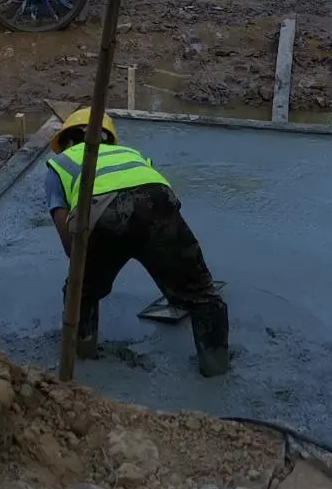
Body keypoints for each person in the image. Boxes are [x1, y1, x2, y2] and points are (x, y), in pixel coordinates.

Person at [43, 110, 231, 377]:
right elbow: (156, 198)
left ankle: (84, 357)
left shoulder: (59, 165)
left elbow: (68, 239)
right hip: (158, 203)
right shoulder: (133, 155)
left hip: (103, 215)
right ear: (110, 140)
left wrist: (85, 274)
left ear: (67, 142)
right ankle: (217, 369)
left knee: (81, 293)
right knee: (202, 296)